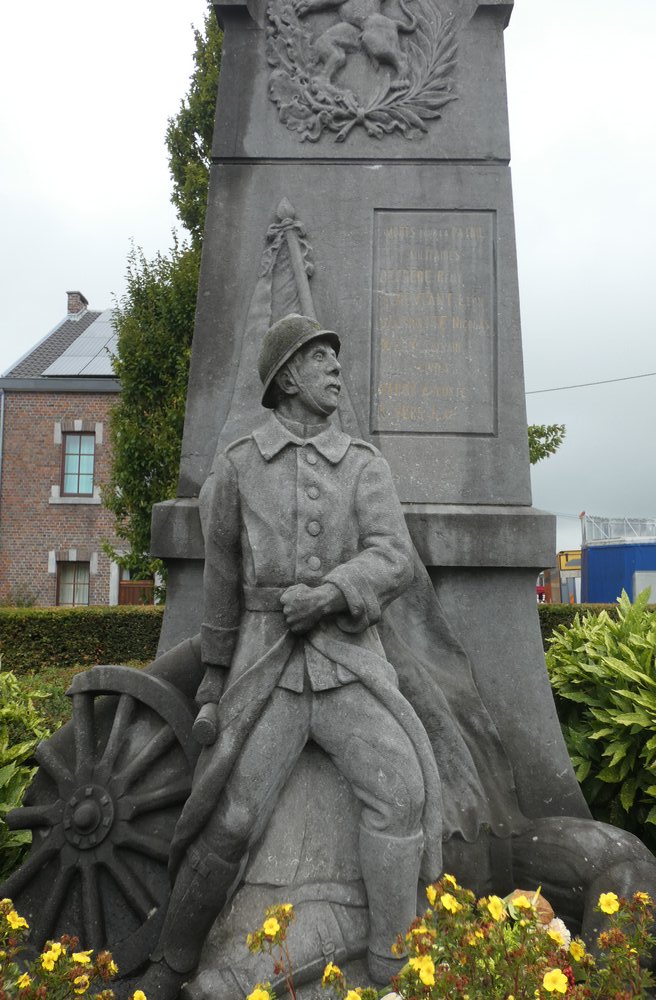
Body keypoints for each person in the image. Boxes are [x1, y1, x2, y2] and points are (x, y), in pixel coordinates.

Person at [142, 314, 442, 999]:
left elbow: (394, 557)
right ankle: (175, 959)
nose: (336, 369)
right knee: (231, 816)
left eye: (336, 358)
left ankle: (395, 966)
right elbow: (220, 587)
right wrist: (215, 682)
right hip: (265, 669)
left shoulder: (365, 466)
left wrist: (335, 592)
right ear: (286, 378)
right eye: (321, 359)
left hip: (344, 665)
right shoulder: (241, 467)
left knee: (400, 791)